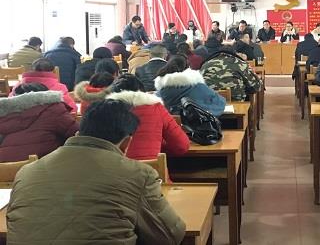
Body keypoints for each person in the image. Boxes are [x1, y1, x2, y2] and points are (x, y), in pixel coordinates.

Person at [7, 99, 186, 244]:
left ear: (79, 131)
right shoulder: (138, 174)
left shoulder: (26, 172)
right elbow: (170, 236)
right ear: (126, 143)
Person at [107, 74, 190, 160]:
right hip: (150, 166)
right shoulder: (156, 108)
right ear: (143, 92)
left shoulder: (105, 110)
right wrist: (155, 146)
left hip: (113, 167)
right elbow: (182, 146)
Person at [0, 83, 79, 162]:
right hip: (42, 165)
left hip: (4, 165)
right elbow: (78, 135)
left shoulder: (6, 115)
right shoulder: (53, 108)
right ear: (47, 94)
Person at [155, 56, 226, 116]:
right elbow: (219, 101)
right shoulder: (198, 86)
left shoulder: (161, 91)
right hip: (197, 126)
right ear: (188, 68)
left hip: (169, 127)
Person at [9, 58, 77, 112]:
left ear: (32, 70)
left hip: (21, 122)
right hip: (49, 122)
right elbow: (72, 109)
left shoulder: (18, 86)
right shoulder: (60, 87)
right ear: (53, 71)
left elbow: (10, 105)